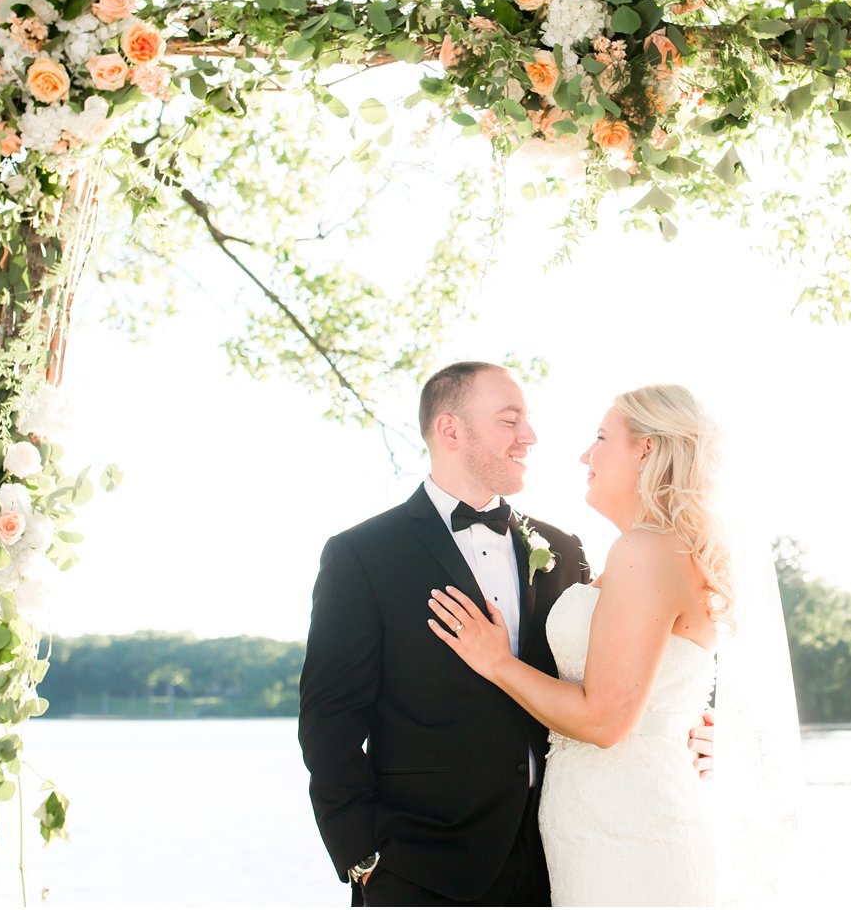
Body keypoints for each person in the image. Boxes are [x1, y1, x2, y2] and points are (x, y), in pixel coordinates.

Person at [299, 363, 714, 907]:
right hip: (419, 870)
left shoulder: (563, 549)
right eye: (509, 420)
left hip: (559, 861)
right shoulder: (363, 555)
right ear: (451, 430)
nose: (531, 437)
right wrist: (361, 855)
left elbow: (643, 663)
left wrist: (702, 728)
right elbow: (328, 722)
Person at [428, 384, 732, 906]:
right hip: (612, 820)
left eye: (600, 437)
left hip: (626, 832)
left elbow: (604, 721)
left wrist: (497, 662)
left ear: (647, 449)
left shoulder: (643, 551)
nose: (584, 455)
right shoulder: (669, 551)